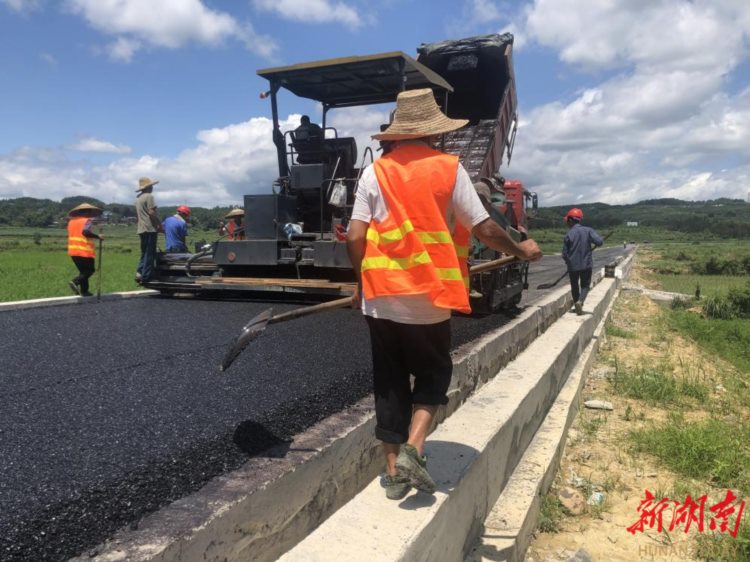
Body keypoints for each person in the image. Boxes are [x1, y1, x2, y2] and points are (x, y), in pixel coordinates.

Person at [346, 88, 542, 501]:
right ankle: (416, 448)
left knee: (390, 382)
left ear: (396, 136)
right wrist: (520, 248)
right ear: (436, 134)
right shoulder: (449, 170)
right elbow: (485, 228)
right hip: (428, 300)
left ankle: (394, 474)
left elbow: (355, 235)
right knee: (434, 374)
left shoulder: (374, 173)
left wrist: (361, 282)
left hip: (380, 299)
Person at [561, 208, 603, 315]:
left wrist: (569, 263)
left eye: (567, 221)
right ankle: (580, 301)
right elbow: (599, 242)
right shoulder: (588, 230)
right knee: (585, 285)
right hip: (586, 265)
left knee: (574, 286)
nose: (567, 223)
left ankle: (576, 305)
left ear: (570, 220)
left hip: (573, 267)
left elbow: (564, 254)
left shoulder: (568, 234)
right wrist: (598, 241)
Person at [67, 203, 104, 297]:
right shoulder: (87, 221)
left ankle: (84, 291)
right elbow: (85, 232)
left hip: (73, 251)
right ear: (87, 212)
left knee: (83, 272)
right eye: (90, 212)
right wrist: (98, 236)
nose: (90, 214)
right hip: (84, 251)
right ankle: (75, 282)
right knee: (90, 271)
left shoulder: (71, 222)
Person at [135, 177, 163, 284]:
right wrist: (159, 224)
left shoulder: (138, 198)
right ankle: (146, 277)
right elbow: (151, 213)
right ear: (149, 187)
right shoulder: (149, 197)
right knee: (150, 253)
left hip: (141, 228)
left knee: (144, 252)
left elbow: (138, 216)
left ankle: (140, 272)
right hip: (150, 228)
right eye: (151, 186)